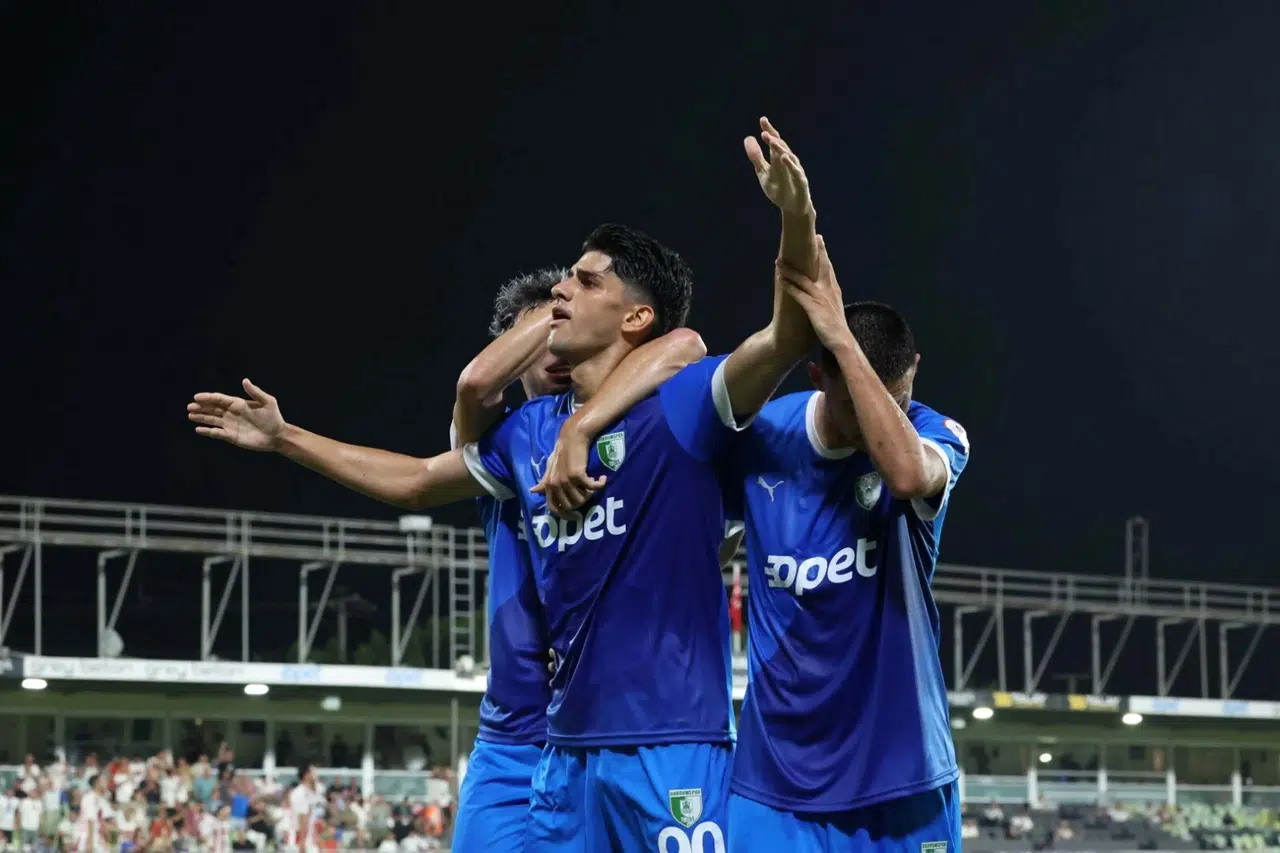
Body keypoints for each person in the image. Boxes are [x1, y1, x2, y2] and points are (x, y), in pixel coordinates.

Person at [187, 259, 707, 853]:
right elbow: (440, 441)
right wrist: (286, 438)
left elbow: (686, 346)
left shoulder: (645, 427)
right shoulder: (503, 441)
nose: (554, 349)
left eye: (565, 324)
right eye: (535, 336)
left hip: (622, 728)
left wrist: (583, 424)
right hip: (515, 736)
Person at [549, 124, 969, 852]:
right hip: (775, 783)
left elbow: (905, 474)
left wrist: (841, 337)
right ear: (817, 376)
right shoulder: (763, 438)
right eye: (859, 398)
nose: (883, 418)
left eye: (897, 396)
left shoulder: (931, 434)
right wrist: (796, 217)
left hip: (905, 775)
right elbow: (686, 502)